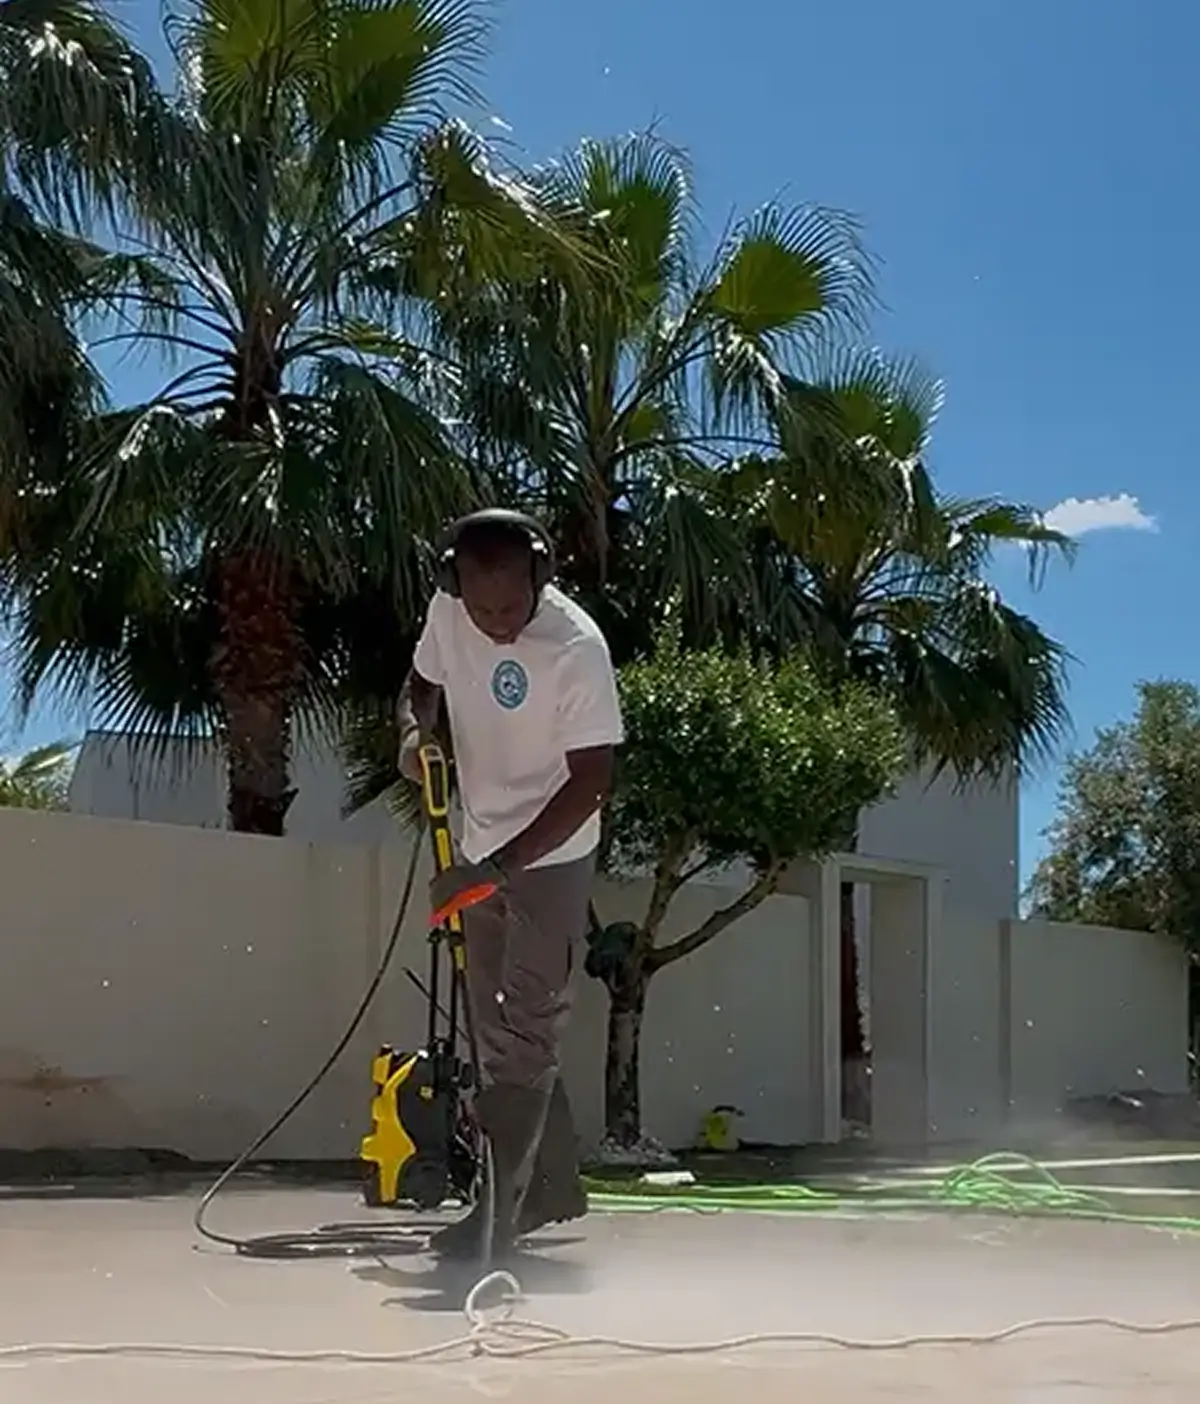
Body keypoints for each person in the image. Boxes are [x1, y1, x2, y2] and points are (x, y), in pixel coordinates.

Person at [398, 507, 623, 1258]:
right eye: (480, 605)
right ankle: (549, 1187)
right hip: (478, 843)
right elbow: (419, 686)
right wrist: (412, 734)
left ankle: (499, 1220)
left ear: (541, 575)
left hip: (551, 858)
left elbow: (593, 781)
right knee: (495, 1036)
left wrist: (495, 871)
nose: (495, 623)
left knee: (526, 1034)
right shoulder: (448, 608)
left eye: (511, 605)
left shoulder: (576, 649)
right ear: (452, 583)